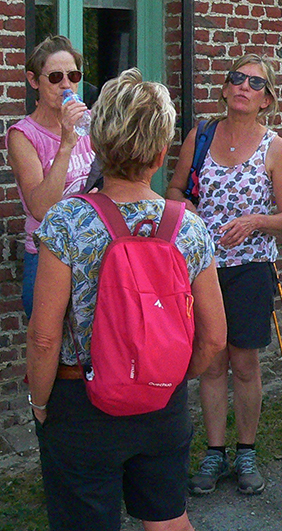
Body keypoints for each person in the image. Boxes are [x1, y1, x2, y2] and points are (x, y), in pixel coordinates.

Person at [26, 68, 226, 531]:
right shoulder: (189, 227)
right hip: (161, 402)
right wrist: (166, 379)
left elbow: (43, 337)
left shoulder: (67, 221)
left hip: (81, 401)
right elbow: (215, 338)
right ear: (160, 153)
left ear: (96, 144)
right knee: (168, 520)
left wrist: (40, 402)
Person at [166, 54, 282, 496]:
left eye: (256, 84)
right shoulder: (201, 134)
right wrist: (184, 206)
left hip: (249, 269)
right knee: (210, 361)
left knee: (244, 362)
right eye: (237, 78)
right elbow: (174, 188)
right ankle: (214, 452)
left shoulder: (274, 148)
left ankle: (246, 451)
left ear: (267, 100)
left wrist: (257, 221)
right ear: (224, 89)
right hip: (201, 268)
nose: (244, 87)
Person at [6, 35, 94, 318]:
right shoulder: (23, 135)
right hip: (48, 253)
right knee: (47, 339)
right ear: (34, 81)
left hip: (90, 250)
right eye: (55, 77)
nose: (66, 85)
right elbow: (41, 208)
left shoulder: (90, 124)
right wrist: (66, 143)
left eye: (73, 76)